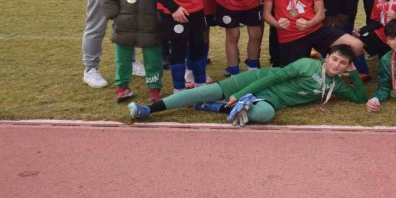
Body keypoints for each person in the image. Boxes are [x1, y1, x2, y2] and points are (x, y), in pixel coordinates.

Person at [128, 44, 368, 124]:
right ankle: (148, 109)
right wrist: (240, 92)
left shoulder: (337, 85)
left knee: (264, 114)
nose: (337, 65)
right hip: (256, 80)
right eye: (334, 59)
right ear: (327, 57)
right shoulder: (307, 64)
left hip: (272, 98)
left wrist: (354, 74)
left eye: (343, 63)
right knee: (207, 91)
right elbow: (273, 78)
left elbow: (359, 99)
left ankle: (213, 107)